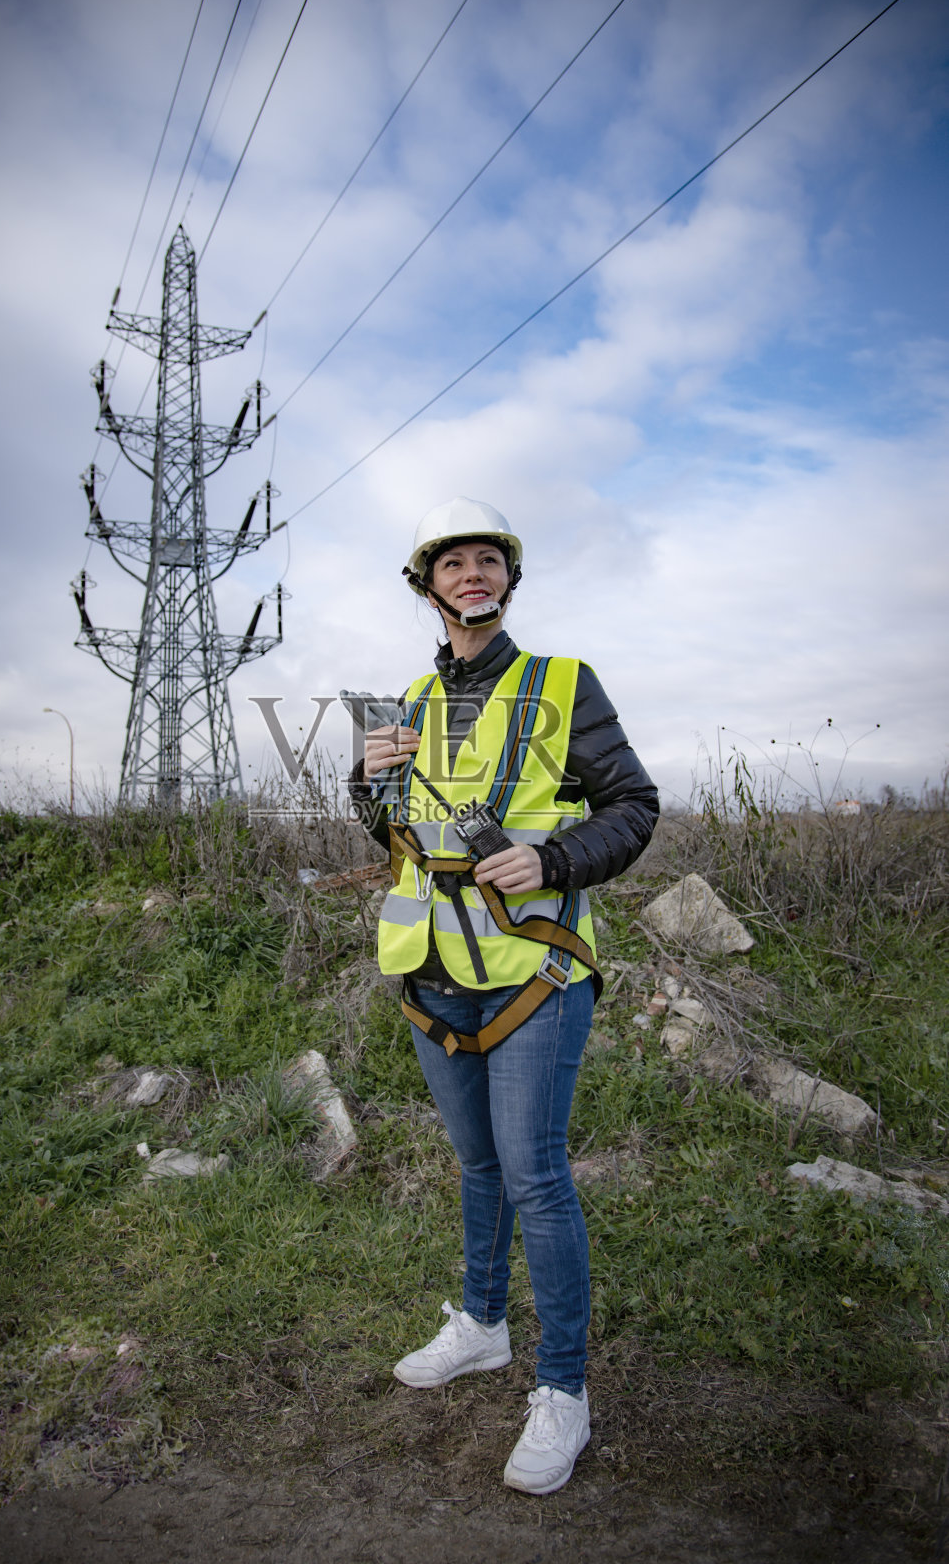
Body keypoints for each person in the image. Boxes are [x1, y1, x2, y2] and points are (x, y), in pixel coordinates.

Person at [348, 497, 659, 1495]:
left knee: (534, 1174)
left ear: (509, 580)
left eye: (488, 560)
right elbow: (395, 833)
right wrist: (364, 781)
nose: (472, 574)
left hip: (536, 969)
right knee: (478, 1164)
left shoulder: (563, 684)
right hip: (434, 970)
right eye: (454, 563)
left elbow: (634, 805)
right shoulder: (409, 701)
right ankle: (483, 1324)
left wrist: (554, 858)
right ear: (428, 585)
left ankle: (563, 1388)